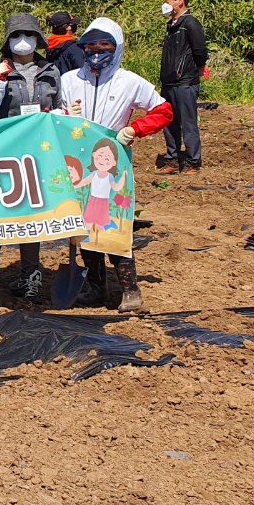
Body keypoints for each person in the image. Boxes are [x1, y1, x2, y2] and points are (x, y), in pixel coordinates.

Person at [59, 17, 173, 312]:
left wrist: (135, 129)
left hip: (114, 162)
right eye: (91, 45)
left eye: (105, 44)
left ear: (117, 47)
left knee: (115, 225)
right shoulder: (70, 80)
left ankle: (130, 290)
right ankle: (96, 287)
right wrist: (64, 114)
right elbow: (56, 117)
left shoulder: (130, 82)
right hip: (79, 163)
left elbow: (163, 110)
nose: (97, 50)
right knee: (83, 227)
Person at [0, 12, 62, 300]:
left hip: (38, 154)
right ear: (7, 40)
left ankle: (30, 275)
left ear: (38, 39)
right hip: (3, 152)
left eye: (28, 35)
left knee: (31, 213)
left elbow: (59, 107)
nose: (22, 41)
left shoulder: (51, 71)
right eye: (16, 36)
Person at [159, 0, 208, 174]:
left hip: (185, 81)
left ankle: (193, 161)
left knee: (188, 123)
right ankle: (172, 159)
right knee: (169, 122)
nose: (165, 5)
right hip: (169, 81)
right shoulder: (171, 25)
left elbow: (200, 50)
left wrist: (199, 68)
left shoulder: (191, 24)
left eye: (168, 1)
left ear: (180, 1)